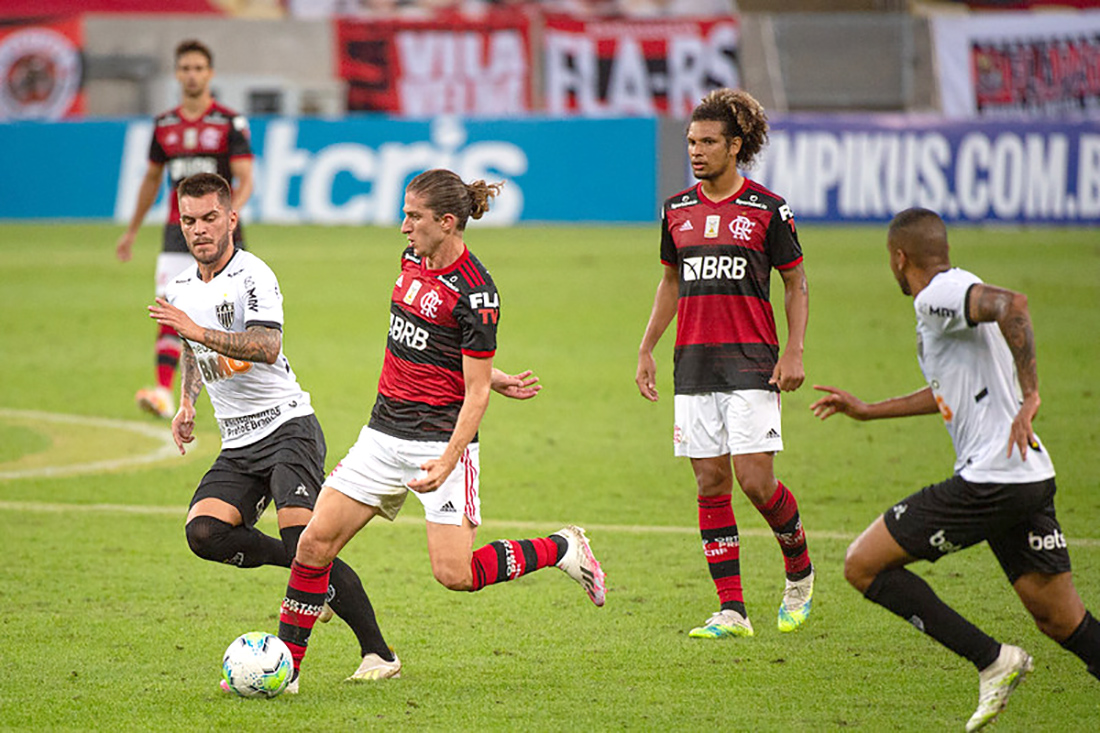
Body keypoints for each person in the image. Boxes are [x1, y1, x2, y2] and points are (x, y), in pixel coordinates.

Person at [275, 169, 606, 686]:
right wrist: (495, 376)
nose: (403, 226)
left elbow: (472, 394)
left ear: (447, 222)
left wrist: (451, 456)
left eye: (414, 216)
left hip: (439, 445)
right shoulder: (413, 258)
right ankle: (284, 672)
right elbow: (437, 348)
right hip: (382, 436)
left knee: (455, 574)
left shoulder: (478, 293)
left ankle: (562, 547)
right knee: (313, 546)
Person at [810, 208, 1100, 731]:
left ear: (900, 259)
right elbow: (951, 389)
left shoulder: (936, 295)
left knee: (862, 565)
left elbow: (1013, 304)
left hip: (991, 478)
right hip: (1028, 476)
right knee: (1059, 618)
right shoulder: (953, 297)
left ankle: (993, 660)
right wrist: (871, 409)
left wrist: (1031, 393)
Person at [146, 173, 391, 691]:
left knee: (304, 538)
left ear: (231, 218)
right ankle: (312, 577)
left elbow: (266, 346)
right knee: (204, 533)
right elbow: (194, 352)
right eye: (188, 221)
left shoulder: (253, 275)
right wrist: (187, 403)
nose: (199, 230)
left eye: (210, 218)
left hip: (287, 428)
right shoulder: (182, 286)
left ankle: (378, 651)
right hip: (237, 443)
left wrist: (195, 330)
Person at [635, 88, 814, 639]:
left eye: (708, 142)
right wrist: (647, 347)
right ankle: (732, 610)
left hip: (752, 358)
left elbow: (795, 281)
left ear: (735, 146)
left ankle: (800, 575)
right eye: (691, 141)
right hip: (693, 361)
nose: (696, 151)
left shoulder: (767, 208)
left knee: (756, 481)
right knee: (710, 483)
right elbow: (671, 282)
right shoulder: (676, 210)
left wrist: (794, 349)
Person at [120, 39, 255, 420]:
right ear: (178, 74)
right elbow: (150, 180)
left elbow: (245, 180)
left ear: (210, 73)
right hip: (177, 232)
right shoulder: (164, 125)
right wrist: (131, 231)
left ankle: (238, 391)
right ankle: (163, 391)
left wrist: (230, 217)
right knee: (170, 306)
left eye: (199, 68)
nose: (192, 75)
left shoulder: (229, 123)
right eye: (186, 68)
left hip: (226, 237)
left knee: (231, 311)